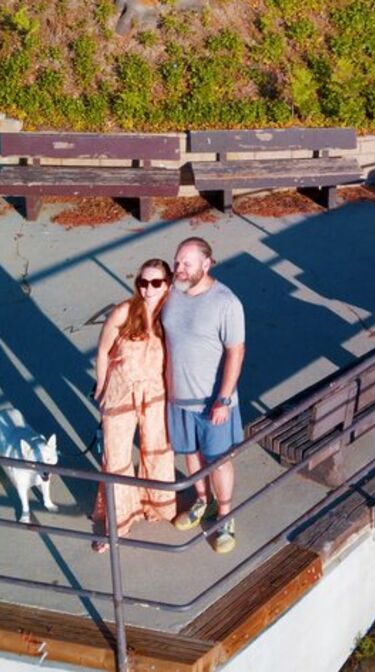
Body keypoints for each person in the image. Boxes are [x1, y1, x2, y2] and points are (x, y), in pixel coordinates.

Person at [164, 237, 245, 554]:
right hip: (178, 400)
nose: (179, 269)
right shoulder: (171, 293)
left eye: (186, 263)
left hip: (214, 403)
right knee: (191, 453)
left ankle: (226, 515)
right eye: (177, 262)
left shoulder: (226, 303)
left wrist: (223, 399)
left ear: (206, 264)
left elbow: (236, 352)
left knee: (219, 461)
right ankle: (202, 500)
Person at [90, 259, 177, 552]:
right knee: (116, 456)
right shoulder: (124, 311)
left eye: (156, 283)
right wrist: (101, 387)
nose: (148, 289)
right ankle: (118, 522)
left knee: (158, 449)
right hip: (121, 389)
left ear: (168, 284)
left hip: (155, 391)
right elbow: (102, 352)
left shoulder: (172, 314)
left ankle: (158, 505)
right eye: (143, 282)